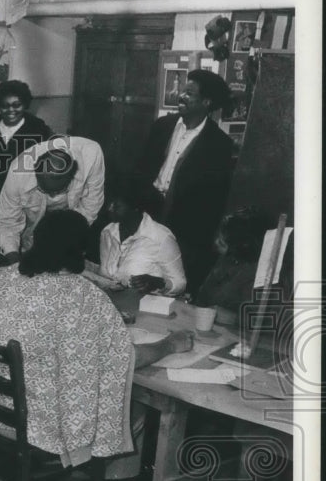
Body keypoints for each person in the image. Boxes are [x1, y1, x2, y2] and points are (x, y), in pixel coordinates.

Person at [0, 210, 194, 467]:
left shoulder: (9, 278)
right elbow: (126, 357)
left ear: (36, 240)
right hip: (33, 431)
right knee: (132, 410)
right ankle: (92, 480)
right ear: (80, 251)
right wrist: (169, 344)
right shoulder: (83, 295)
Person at [133, 69, 234, 295]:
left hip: (185, 223)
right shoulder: (162, 126)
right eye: (182, 91)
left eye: (189, 93)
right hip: (149, 211)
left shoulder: (219, 144)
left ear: (206, 102)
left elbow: (213, 199)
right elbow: (141, 168)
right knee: (141, 272)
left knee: (171, 281)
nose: (181, 96)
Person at [0, 136, 106, 262]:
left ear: (72, 176)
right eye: (44, 190)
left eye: (58, 191)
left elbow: (90, 209)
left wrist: (63, 246)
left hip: (70, 222)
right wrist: (14, 260)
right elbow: (8, 222)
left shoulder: (91, 155)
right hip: (30, 229)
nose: (53, 196)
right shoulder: (18, 172)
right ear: (36, 172)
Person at [0, 80, 54, 217]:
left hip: (25, 202)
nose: (11, 110)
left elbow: (46, 168)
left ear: (25, 104)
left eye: (17, 105)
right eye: (5, 106)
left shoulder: (37, 128)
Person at [94, 178, 186, 296]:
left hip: (148, 308)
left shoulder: (161, 237)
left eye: (117, 206)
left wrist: (160, 283)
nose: (109, 208)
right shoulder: (107, 232)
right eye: (110, 203)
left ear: (136, 208)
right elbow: (104, 275)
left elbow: (180, 284)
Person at [195, 208, 275, 326]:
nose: (216, 242)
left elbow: (267, 322)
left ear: (244, 245)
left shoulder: (264, 273)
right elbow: (203, 297)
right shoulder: (228, 259)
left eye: (222, 242)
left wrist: (234, 319)